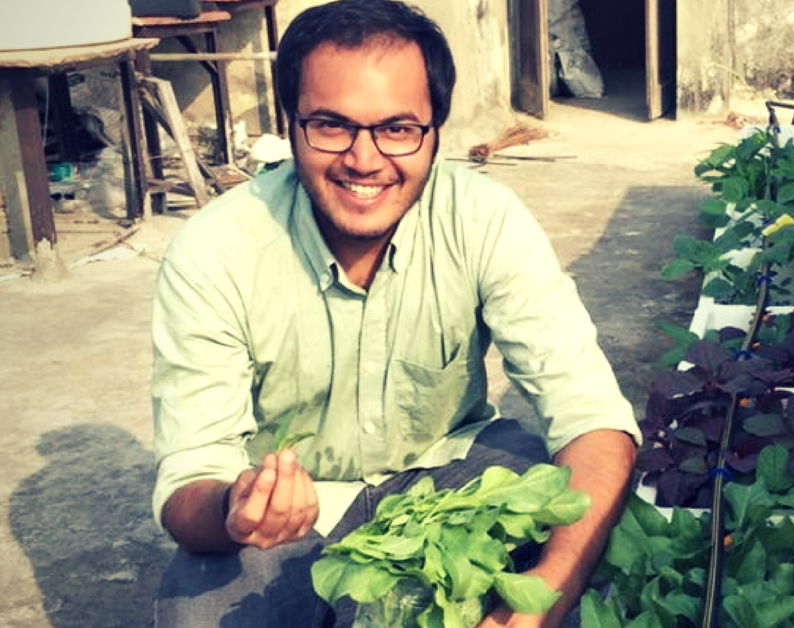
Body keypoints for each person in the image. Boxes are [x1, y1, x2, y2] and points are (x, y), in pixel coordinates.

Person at [149, 1, 639, 626]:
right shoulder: (215, 250)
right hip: (291, 513)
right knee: (201, 615)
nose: (364, 159)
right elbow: (190, 477)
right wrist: (235, 508)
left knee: (586, 557)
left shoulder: (484, 220)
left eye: (398, 129)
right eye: (330, 125)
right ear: (290, 124)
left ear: (435, 130)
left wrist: (547, 593)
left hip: (456, 473)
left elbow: (591, 418)